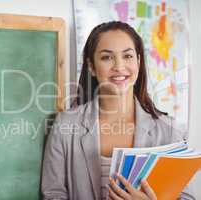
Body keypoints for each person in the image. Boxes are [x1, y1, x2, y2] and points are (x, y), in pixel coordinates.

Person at [41, 21, 195, 200]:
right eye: (107, 57)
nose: (119, 66)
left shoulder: (169, 130)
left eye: (127, 56)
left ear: (138, 61)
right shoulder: (65, 125)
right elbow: (52, 194)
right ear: (91, 66)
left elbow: (186, 197)